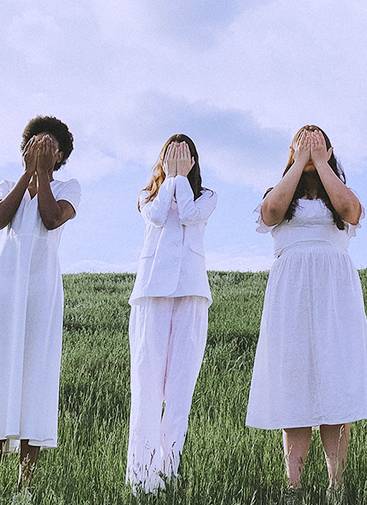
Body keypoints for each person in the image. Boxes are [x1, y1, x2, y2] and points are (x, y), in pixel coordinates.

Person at [0, 116, 81, 505]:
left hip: (41, 291)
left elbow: (51, 218)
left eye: (50, 147)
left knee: (33, 381)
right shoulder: (8, 185)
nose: (42, 151)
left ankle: (25, 489)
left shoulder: (68, 188)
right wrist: (27, 174)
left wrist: (42, 177)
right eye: (36, 145)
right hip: (6, 289)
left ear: (60, 156)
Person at [246, 125, 367, 495]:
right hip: (291, 293)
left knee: (335, 378)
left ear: (329, 149)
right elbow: (272, 211)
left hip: (333, 294)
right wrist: (299, 161)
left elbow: (349, 210)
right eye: (301, 143)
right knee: (295, 380)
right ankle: (294, 484)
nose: (309, 148)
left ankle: (335, 483)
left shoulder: (338, 193)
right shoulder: (281, 194)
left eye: (316, 142)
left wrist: (321, 163)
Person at [125, 134, 217, 494]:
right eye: (171, 155)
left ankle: (168, 469)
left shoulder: (207, 196)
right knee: (146, 385)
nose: (178, 160)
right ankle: (142, 475)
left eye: (184, 156)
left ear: (193, 161)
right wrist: (173, 179)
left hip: (191, 292)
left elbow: (191, 214)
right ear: (162, 160)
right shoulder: (148, 195)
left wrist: (181, 181)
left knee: (180, 388)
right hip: (151, 293)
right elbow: (159, 216)